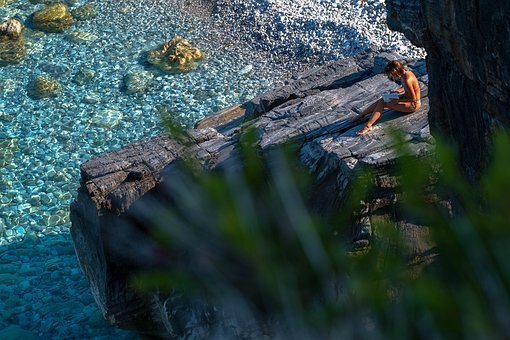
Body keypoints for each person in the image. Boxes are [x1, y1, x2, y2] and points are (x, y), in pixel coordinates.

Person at [350, 60, 421, 135]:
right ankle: (361, 115)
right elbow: (408, 88)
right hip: (407, 98)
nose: (392, 77)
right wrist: (397, 91)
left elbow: (413, 99)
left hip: (414, 105)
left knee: (383, 103)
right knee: (383, 99)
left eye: (392, 75)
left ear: (396, 71)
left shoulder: (407, 79)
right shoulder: (407, 73)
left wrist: (396, 101)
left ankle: (368, 126)